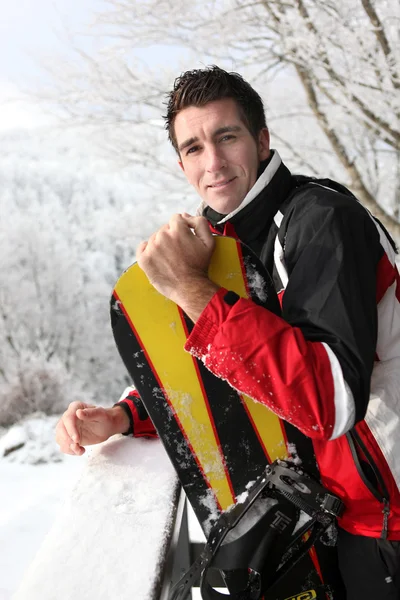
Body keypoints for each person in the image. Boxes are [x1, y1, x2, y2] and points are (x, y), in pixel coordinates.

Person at [56, 66, 400, 599]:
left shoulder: (321, 221)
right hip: (330, 510)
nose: (212, 163)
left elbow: (329, 401)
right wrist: (126, 415)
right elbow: (229, 368)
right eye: (194, 148)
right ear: (181, 163)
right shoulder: (219, 243)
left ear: (262, 141)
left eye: (227, 137)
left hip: (385, 520)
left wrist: (193, 291)